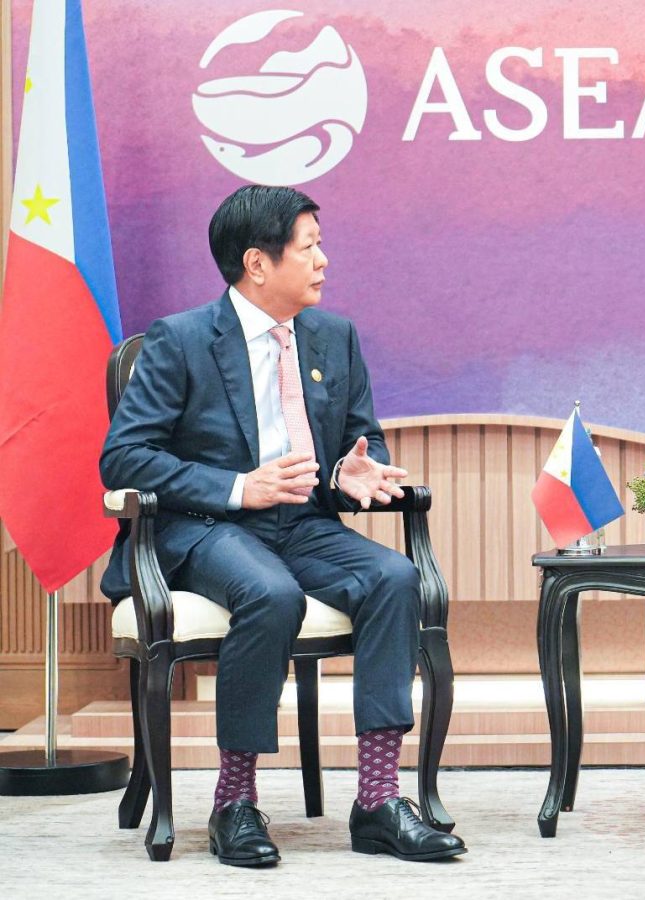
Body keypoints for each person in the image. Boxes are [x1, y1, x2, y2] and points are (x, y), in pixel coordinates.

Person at [101, 185, 465, 866]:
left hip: (302, 522)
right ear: (257, 263)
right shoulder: (182, 340)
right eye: (309, 247)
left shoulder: (334, 336)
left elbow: (360, 441)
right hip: (206, 525)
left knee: (394, 578)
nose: (323, 260)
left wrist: (350, 473)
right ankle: (234, 802)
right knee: (270, 593)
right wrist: (240, 487)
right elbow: (124, 457)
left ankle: (379, 802)